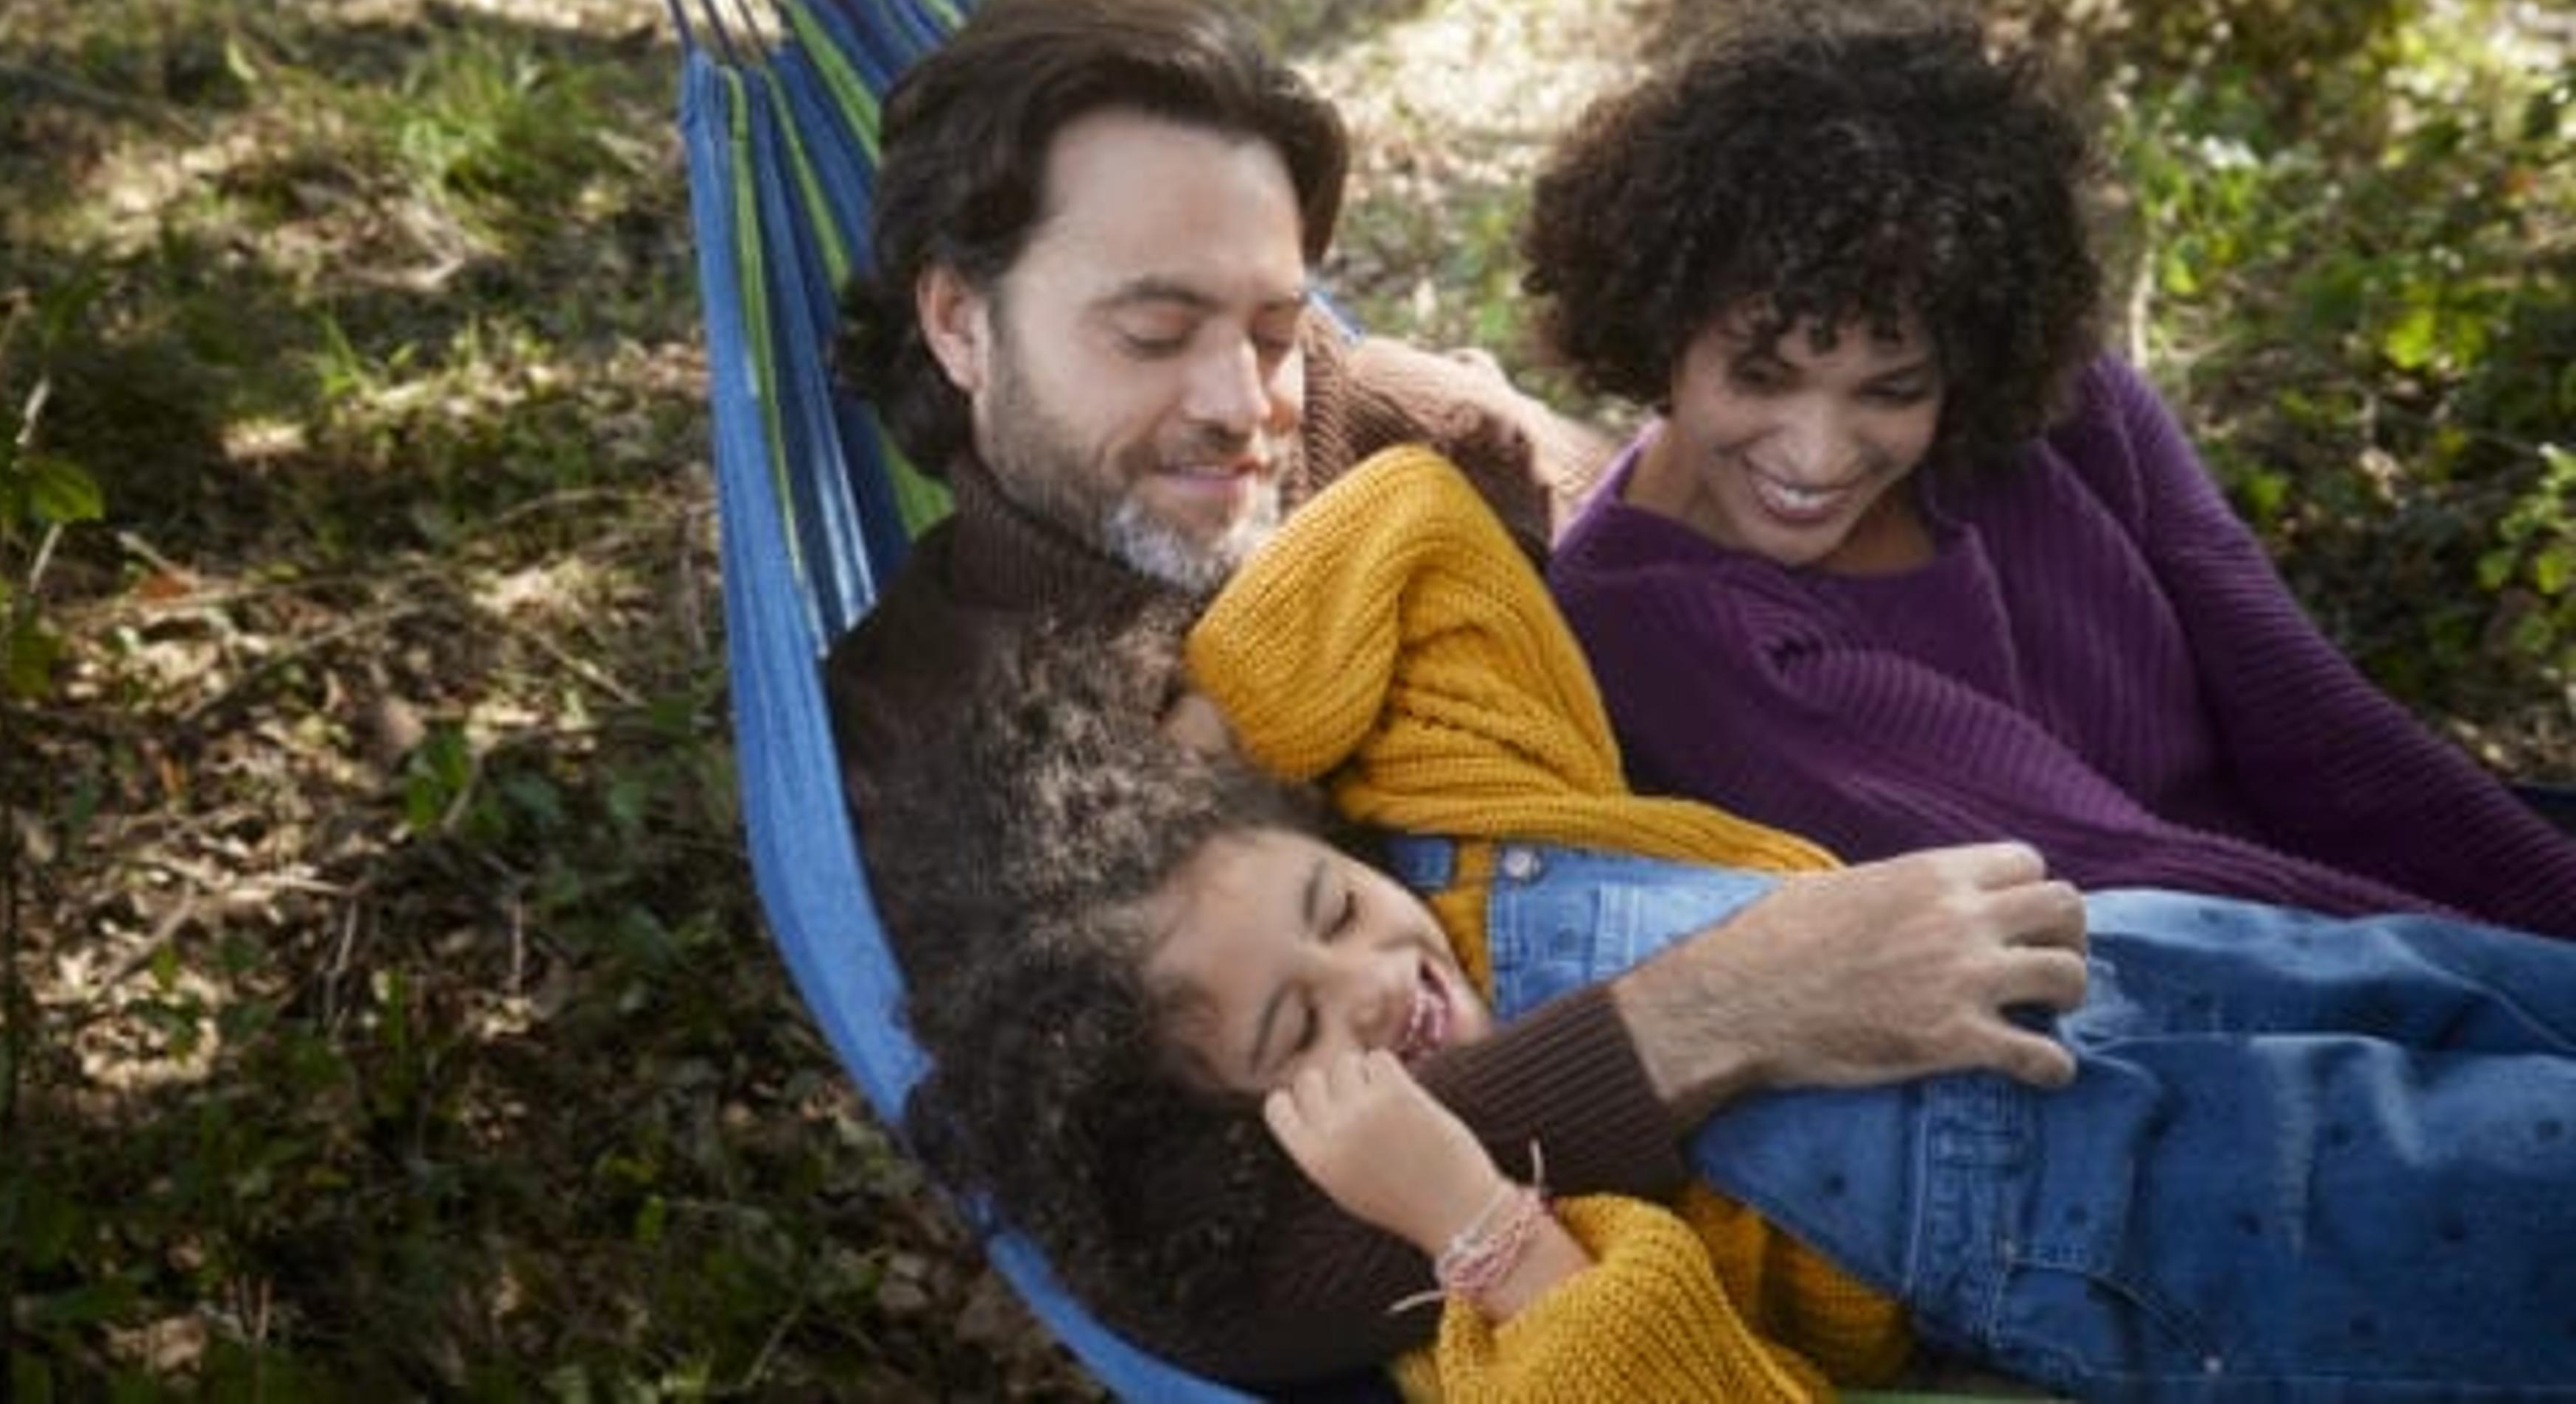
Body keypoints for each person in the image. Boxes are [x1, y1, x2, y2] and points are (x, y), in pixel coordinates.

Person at [820, 0, 2094, 1381]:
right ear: (959, 320)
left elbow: (1669, 516)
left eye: (1268, 322)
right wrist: (1724, 1011)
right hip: (1750, 1263)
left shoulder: (1360, 417)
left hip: (1985, 956)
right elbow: (1223, 1283)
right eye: (1153, 330)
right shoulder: (934, 729)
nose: (1245, 405)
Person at [906, 444, 2576, 1399]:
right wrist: (1483, 1220)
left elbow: (1415, 521)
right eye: (1296, 1029)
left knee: (2524, 1000)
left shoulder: (1464, 808)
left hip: (2160, 950)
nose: (1376, 980)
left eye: (1333, 908)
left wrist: (1208, 741)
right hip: (2140, 1213)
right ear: (1260, 1138)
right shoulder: (1453, 1274)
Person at [1523, 10, 2576, 937]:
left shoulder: (2067, 415)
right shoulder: (1654, 625)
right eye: (1761, 376)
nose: (1817, 454)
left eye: (1892, 390)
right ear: (1659, 328)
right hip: (2197, 1012)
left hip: (2362, 918)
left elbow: (2318, 724)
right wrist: (2530, 984)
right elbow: (2125, 882)